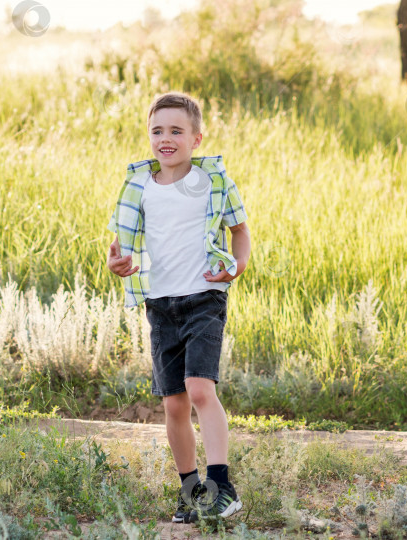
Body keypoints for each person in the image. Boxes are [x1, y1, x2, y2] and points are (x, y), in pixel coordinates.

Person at [106, 91, 251, 523]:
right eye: (157, 131)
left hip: (205, 297)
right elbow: (121, 248)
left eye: (176, 131)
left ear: (196, 138)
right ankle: (192, 493)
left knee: (200, 389)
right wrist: (118, 264)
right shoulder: (139, 187)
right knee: (173, 405)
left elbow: (240, 231)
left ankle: (221, 485)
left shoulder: (215, 183)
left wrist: (237, 267)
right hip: (160, 303)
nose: (165, 139)